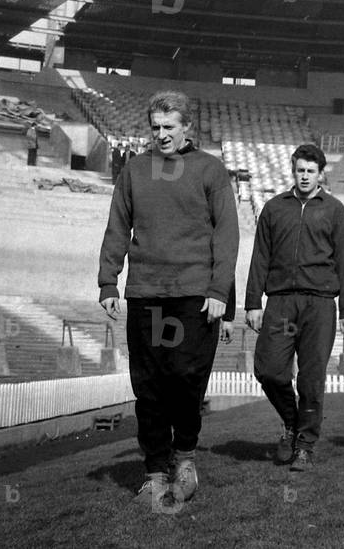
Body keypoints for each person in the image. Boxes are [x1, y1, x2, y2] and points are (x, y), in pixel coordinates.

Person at [98, 90, 239, 507]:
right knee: (150, 387)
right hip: (146, 294)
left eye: (169, 127)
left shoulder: (210, 170)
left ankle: (186, 456)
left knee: (185, 379)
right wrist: (108, 281)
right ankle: (156, 472)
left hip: (194, 296)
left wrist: (219, 291)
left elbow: (226, 236)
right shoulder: (134, 171)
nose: (161, 135)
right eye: (155, 127)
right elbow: (117, 226)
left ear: (187, 128)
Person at [245, 143, 344, 472]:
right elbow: (259, 258)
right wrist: (253, 301)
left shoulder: (334, 210)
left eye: (310, 171)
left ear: (320, 174)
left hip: (320, 304)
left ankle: (305, 445)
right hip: (280, 301)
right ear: (292, 171)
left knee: (311, 379)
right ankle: (292, 423)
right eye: (299, 170)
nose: (304, 176)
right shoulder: (274, 208)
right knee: (268, 370)